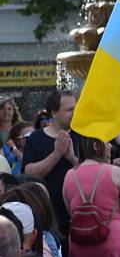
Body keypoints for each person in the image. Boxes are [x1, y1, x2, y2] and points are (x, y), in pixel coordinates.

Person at [22, 90, 79, 242]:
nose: (75, 112)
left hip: (80, 214)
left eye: (76, 108)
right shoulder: (36, 138)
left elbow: (94, 172)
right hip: (49, 215)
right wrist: (56, 154)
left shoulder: (82, 135)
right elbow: (29, 173)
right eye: (69, 109)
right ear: (54, 112)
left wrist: (72, 158)